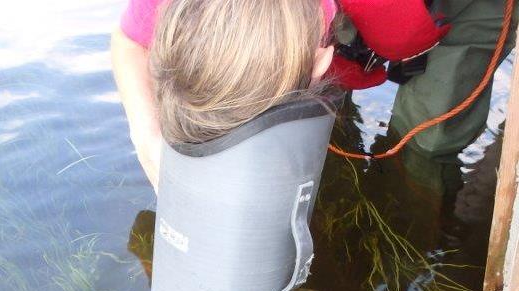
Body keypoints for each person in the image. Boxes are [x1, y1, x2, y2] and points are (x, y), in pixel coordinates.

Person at [111, 0, 472, 191]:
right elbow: (129, 41)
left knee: (428, 137)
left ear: (320, 59)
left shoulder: (384, 20)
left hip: (451, 12)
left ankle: (419, 198)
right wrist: (147, 138)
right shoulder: (163, 4)